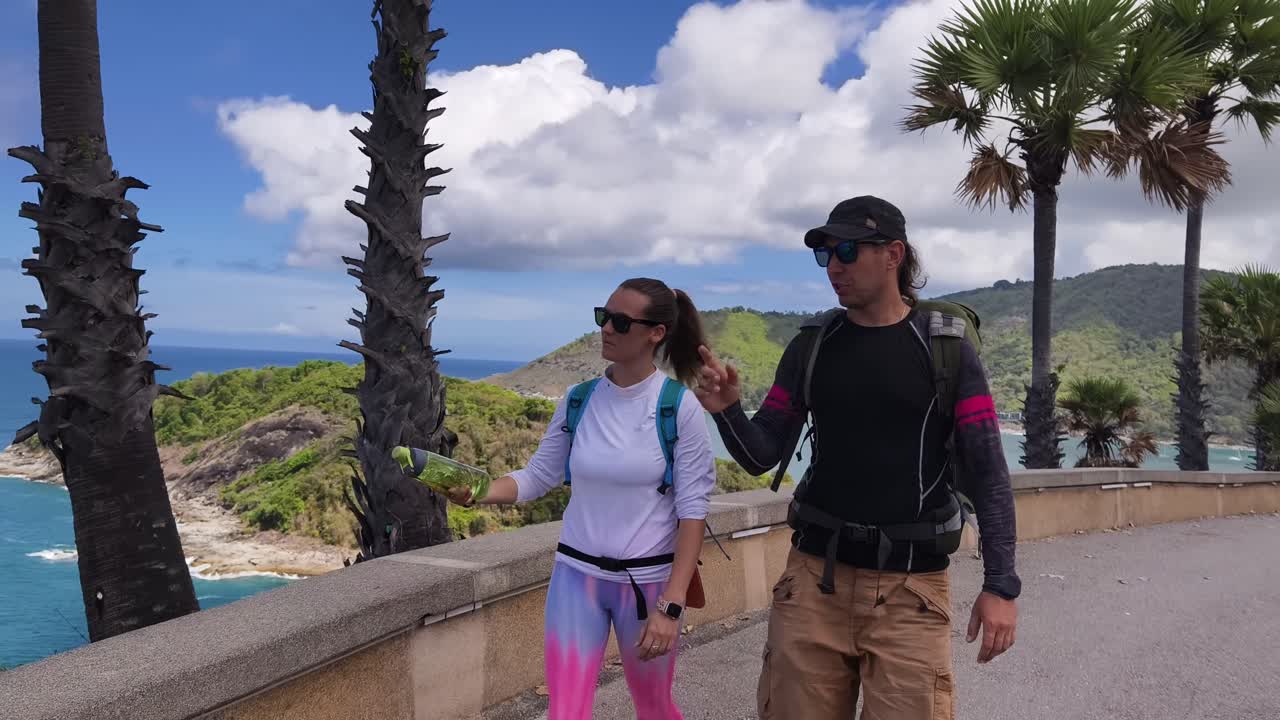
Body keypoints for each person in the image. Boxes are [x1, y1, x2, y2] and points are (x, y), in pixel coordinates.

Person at [692, 196, 1020, 719]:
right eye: (826, 255)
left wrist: (1001, 585)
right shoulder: (813, 345)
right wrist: (729, 411)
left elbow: (988, 471)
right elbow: (762, 453)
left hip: (911, 593)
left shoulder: (947, 350)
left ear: (894, 254)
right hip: (812, 584)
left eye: (847, 250)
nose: (835, 267)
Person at [423, 278, 717, 720]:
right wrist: (480, 492)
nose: (607, 329)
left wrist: (671, 607)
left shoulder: (678, 407)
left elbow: (692, 512)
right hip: (575, 578)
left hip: (647, 585)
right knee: (566, 711)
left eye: (620, 321)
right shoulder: (579, 400)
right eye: (603, 317)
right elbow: (539, 476)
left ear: (656, 333)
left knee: (654, 708)